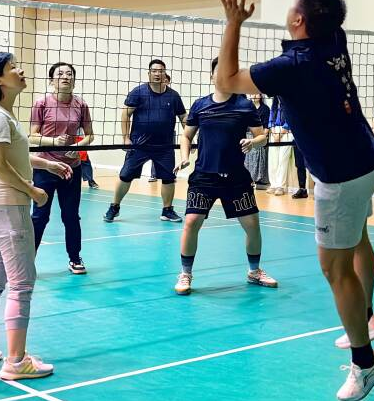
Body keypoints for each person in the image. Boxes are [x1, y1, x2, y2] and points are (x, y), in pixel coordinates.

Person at [213, 0, 374, 401]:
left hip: (338, 176)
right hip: (366, 159)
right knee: (358, 240)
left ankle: (366, 363)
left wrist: (233, 23)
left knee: (334, 268)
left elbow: (226, 81)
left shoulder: (290, 66)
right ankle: (368, 317)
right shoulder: (331, 32)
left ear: (296, 20)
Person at [0, 52, 70, 381]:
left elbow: (11, 156)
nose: (20, 70)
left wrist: (46, 164)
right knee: (22, 285)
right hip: (7, 209)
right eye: (12, 67)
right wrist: (32, 191)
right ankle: (16, 362)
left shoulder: (3, 115)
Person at [173, 59, 278, 295]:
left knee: (252, 225)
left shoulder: (244, 105)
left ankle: (254, 271)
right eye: (218, 72)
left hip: (236, 178)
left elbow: (262, 136)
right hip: (204, 176)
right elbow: (186, 136)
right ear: (211, 76)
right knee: (191, 222)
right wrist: (184, 157)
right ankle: (186, 273)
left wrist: (253, 142)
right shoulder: (200, 105)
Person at [29, 62, 94, 275]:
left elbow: (90, 135)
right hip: (46, 167)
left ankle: (75, 258)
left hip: (70, 169)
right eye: (60, 74)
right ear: (52, 81)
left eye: (69, 74)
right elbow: (33, 136)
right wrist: (54, 142)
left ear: (73, 80)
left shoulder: (81, 104)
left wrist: (78, 147)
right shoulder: (41, 103)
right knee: (40, 216)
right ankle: (27, 261)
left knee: (71, 216)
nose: (65, 77)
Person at [103, 59, 186, 223]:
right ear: (149, 73)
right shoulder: (138, 92)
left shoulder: (173, 96)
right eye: (154, 71)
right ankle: (114, 207)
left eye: (161, 71)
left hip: (165, 146)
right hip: (139, 145)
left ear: (165, 74)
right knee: (125, 175)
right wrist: (125, 137)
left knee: (169, 178)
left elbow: (183, 117)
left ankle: (167, 210)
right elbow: (125, 114)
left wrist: (189, 139)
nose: (157, 74)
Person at [244, 93, 271, 190]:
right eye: (252, 94)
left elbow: (266, 126)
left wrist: (262, 137)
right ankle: (248, 180)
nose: (254, 95)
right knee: (248, 160)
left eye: (256, 94)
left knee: (258, 160)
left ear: (260, 96)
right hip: (247, 136)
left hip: (259, 136)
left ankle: (258, 180)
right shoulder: (248, 108)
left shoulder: (265, 109)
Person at [266, 96, 292, 196]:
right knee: (273, 159)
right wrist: (273, 131)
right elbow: (271, 117)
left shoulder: (289, 100)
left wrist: (281, 133)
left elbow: (291, 117)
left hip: (286, 131)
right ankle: (273, 184)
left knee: (282, 159)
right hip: (274, 131)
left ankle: (281, 186)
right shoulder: (275, 101)